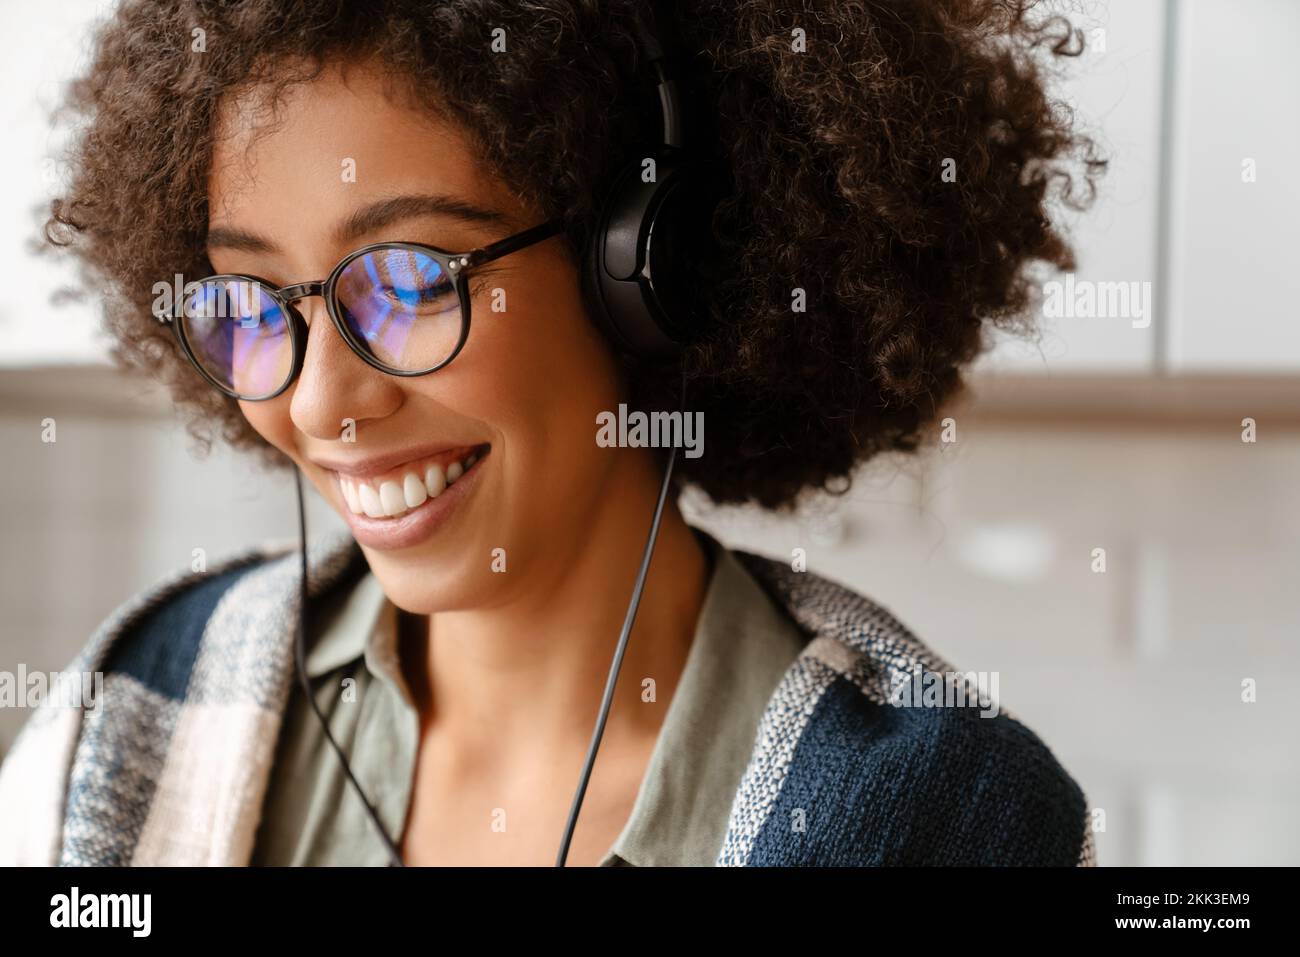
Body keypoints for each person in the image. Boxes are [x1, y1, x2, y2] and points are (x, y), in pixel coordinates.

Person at [0, 0, 1104, 866]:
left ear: (651, 274)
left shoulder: (948, 822)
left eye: (411, 281)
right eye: (250, 297)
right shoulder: (139, 697)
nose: (321, 402)